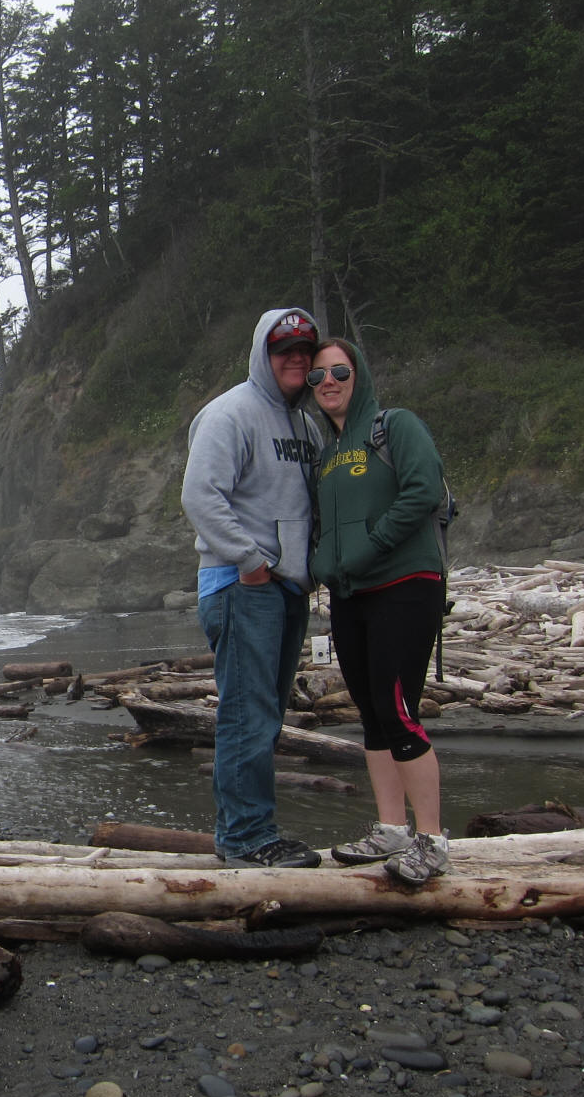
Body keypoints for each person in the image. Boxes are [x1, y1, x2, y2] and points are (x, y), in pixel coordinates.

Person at [180, 308, 323, 868]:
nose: (296, 358)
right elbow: (200, 495)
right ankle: (245, 839)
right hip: (242, 585)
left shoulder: (307, 426)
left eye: (305, 350)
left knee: (267, 715)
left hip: (286, 588)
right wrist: (251, 562)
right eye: (283, 349)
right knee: (246, 715)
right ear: (263, 354)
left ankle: (250, 831)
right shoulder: (230, 413)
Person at [308, 337, 450, 885]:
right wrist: (321, 563)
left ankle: (431, 840)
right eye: (318, 375)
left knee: (398, 708)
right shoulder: (326, 455)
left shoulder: (396, 427)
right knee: (370, 712)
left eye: (339, 371)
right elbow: (321, 526)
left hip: (404, 584)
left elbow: (424, 490)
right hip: (350, 594)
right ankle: (391, 830)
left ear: (358, 374)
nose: (328, 381)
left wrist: (373, 545)